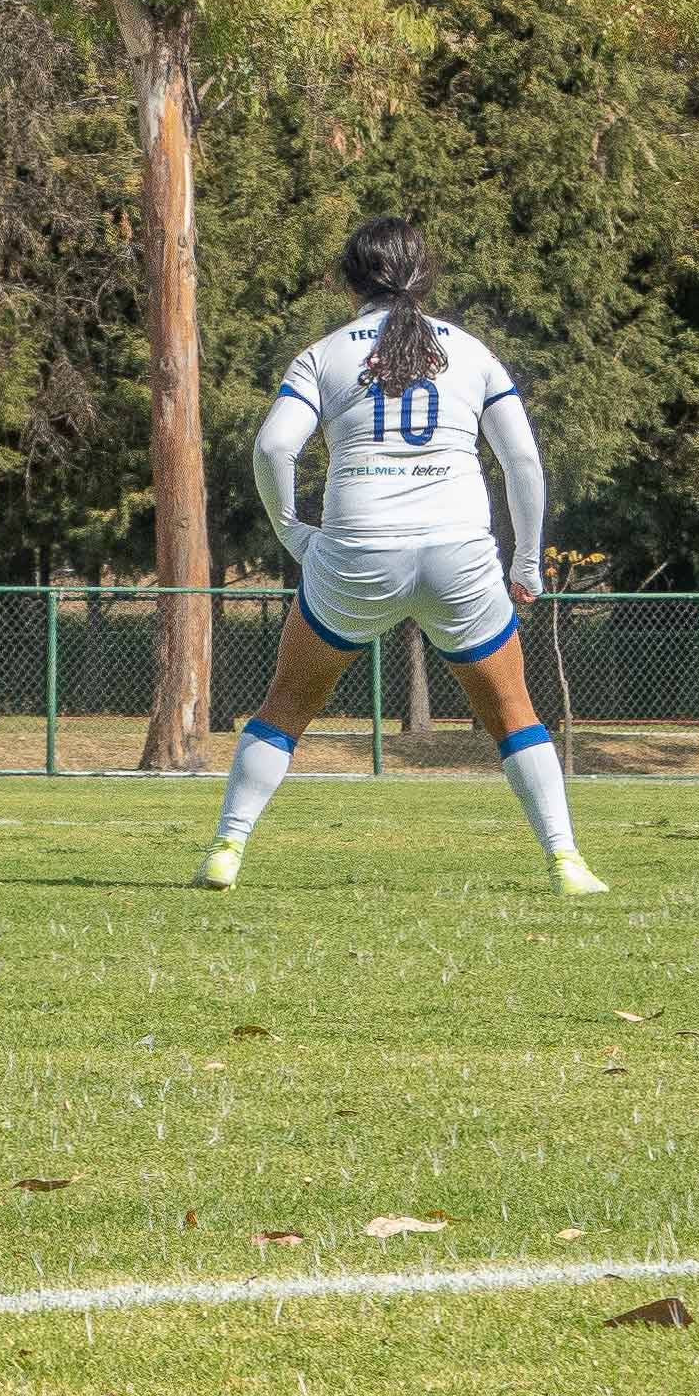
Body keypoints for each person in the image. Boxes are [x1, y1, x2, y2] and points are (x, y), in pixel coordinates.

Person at [196, 217, 607, 897]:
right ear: (425, 276)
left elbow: (272, 449)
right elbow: (522, 461)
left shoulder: (321, 354)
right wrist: (525, 563)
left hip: (358, 548)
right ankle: (566, 860)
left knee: (287, 704)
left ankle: (226, 847)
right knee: (512, 713)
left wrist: (293, 532)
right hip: (458, 550)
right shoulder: (471, 352)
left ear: (343, 281)